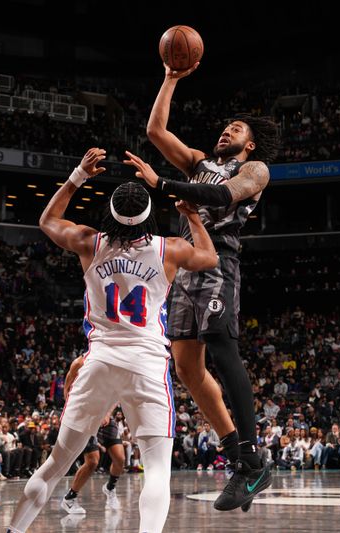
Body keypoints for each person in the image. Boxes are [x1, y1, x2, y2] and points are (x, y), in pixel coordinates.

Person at [6, 147, 218, 533]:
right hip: (147, 363)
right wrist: (192, 216)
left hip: (100, 360)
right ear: (148, 216)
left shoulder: (89, 241)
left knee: (56, 462)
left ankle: (13, 531)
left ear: (111, 214)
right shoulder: (168, 249)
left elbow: (47, 219)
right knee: (156, 469)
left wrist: (77, 175)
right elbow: (210, 258)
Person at [127, 58, 280, 512]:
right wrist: (170, 79)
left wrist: (163, 183)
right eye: (225, 126)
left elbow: (221, 197)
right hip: (186, 263)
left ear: (249, 143)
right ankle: (240, 460)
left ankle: (253, 454)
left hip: (219, 260)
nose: (226, 131)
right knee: (186, 367)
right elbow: (156, 131)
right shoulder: (198, 161)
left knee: (221, 343)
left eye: (235, 129)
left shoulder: (254, 171)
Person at [60, 356, 125, 514]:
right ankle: (70, 498)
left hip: (104, 415)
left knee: (120, 459)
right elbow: (67, 394)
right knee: (92, 462)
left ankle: (110, 489)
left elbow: (117, 395)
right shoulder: (79, 363)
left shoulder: (115, 363)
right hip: (85, 415)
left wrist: (107, 413)